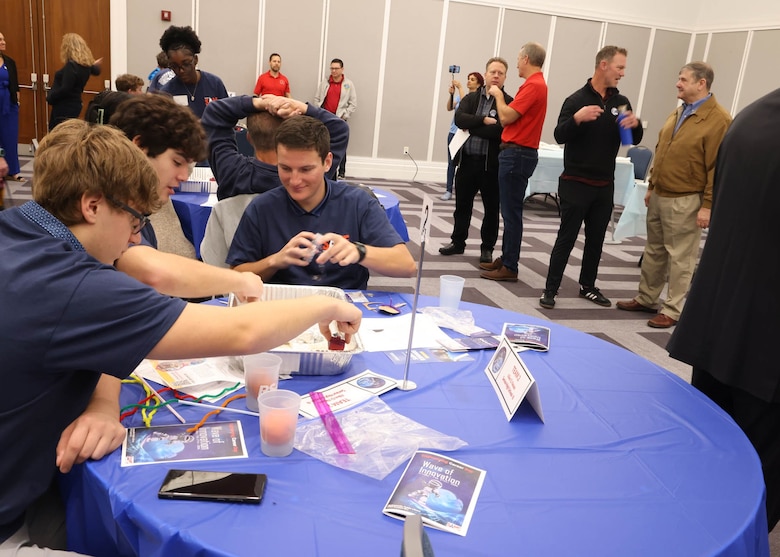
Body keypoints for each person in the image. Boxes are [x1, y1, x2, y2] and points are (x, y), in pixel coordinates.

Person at [0, 120, 361, 553]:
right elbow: (241, 331)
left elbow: (97, 325)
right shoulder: (72, 286)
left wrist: (101, 401)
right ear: (93, 206)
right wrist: (328, 303)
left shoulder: (20, 227)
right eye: (134, 221)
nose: (135, 239)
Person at [666, 88, 780, 532]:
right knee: (753, 494)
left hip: (717, 327)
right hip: (769, 355)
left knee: (707, 460)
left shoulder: (753, 115)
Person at [227, 115, 417, 289]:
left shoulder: (358, 203)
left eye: (305, 169)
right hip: (282, 310)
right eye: (285, 168)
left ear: (327, 162)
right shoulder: (262, 208)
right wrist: (275, 261)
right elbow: (235, 276)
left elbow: (406, 266)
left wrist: (359, 251)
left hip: (343, 312)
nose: (294, 180)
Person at [616, 62, 731, 328]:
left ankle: (673, 309)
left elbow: (717, 167)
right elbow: (663, 148)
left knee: (681, 256)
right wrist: (653, 185)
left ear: (701, 83)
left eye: (683, 79)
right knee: (654, 250)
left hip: (688, 198)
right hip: (661, 194)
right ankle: (646, 297)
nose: (678, 84)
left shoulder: (719, 120)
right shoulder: (679, 111)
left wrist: (708, 206)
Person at [538, 46, 643, 309]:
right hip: (575, 183)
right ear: (604, 65)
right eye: (620, 67)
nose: (622, 73)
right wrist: (577, 118)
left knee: (596, 241)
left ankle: (588, 286)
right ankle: (550, 289)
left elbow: (630, 141)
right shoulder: (576, 100)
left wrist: (635, 126)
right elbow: (559, 135)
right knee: (567, 238)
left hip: (604, 186)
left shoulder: (620, 103)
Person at [480, 42, 548, 282]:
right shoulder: (535, 84)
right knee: (509, 211)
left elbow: (507, 117)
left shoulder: (534, 85)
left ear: (526, 59)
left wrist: (498, 95)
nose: (517, 63)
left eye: (519, 59)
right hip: (517, 153)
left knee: (511, 213)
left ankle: (510, 265)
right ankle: (507, 258)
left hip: (517, 154)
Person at [202, 94, 348, 200]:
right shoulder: (307, 179)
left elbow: (214, 112)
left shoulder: (233, 172)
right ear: (288, 137)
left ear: (249, 138)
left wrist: (257, 103)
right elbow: (340, 129)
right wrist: (298, 106)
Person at [438, 58, 512, 265]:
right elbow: (459, 119)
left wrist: (473, 126)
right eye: (492, 72)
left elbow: (500, 130)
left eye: (500, 73)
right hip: (467, 162)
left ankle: (487, 248)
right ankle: (457, 242)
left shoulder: (508, 102)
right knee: (462, 206)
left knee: (491, 209)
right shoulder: (471, 98)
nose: (496, 75)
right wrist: (483, 120)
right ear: (486, 75)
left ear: (505, 77)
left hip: (491, 167)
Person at [159, 25, 228, 118]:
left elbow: (228, 116)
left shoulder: (214, 84)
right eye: (174, 66)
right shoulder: (167, 93)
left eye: (186, 63)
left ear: (195, 60)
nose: (181, 70)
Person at [46, 33, 102, 130]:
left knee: (58, 134)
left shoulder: (71, 66)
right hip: (75, 104)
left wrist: (51, 97)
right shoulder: (85, 66)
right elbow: (96, 71)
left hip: (64, 105)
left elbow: (66, 88)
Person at [442, 72, 484, 201]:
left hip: (465, 135)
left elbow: (467, 108)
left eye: (472, 80)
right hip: (453, 132)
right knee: (451, 163)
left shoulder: (476, 99)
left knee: (465, 163)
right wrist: (451, 94)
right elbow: (449, 107)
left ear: (479, 83)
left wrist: (460, 88)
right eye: (468, 79)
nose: (469, 81)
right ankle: (448, 189)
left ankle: (466, 189)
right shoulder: (461, 97)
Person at [314, 58, 357, 179]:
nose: (333, 71)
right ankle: (326, 171)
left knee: (340, 145)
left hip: (339, 120)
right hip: (325, 119)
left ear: (342, 69)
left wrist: (344, 115)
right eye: (331, 68)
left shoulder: (348, 85)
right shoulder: (325, 83)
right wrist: (319, 112)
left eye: (336, 68)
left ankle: (341, 171)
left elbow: (353, 104)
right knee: (324, 144)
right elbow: (317, 99)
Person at [0, 31, 23, 185]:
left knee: (10, 135)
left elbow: (15, 85)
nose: (3, 41)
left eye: (3, 38)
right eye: (0, 39)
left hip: (8, 104)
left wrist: (17, 101)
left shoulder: (9, 61)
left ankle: (13, 171)